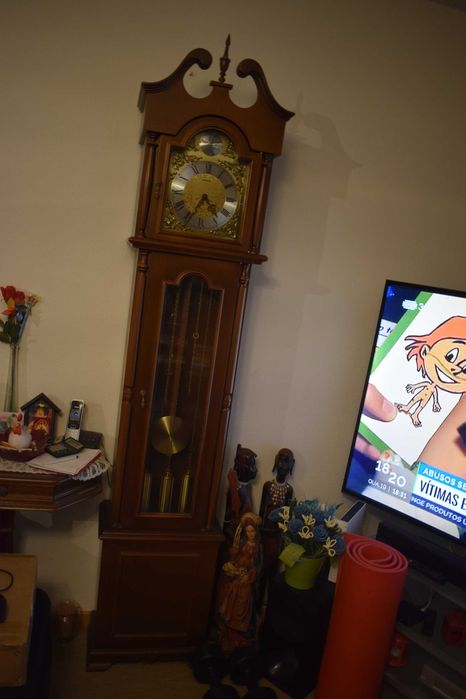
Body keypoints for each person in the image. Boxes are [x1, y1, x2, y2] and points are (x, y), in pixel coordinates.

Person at [216, 511, 263, 654]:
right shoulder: (242, 543)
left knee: (243, 601)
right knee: (231, 597)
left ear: (256, 531)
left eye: (252, 531)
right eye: (248, 531)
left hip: (247, 578)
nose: (250, 534)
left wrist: (249, 574)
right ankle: (229, 630)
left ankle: (240, 632)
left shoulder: (258, 547)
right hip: (238, 574)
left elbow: (258, 566)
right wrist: (233, 566)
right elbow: (236, 557)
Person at [259, 449, 294, 577]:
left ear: (292, 464)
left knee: (273, 565)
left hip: (277, 533)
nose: (283, 466)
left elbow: (287, 516)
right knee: (261, 562)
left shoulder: (289, 490)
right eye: (281, 460)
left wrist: (283, 533)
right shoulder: (267, 486)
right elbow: (261, 510)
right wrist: (259, 529)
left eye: (287, 462)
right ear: (276, 460)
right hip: (265, 530)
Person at [222, 444, 258, 543]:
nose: (253, 469)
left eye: (253, 465)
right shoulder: (234, 488)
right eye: (250, 465)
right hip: (235, 532)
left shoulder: (247, 486)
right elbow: (228, 516)